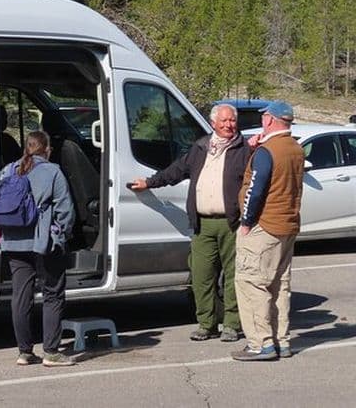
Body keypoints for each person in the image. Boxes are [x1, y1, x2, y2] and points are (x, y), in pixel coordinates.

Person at [129, 103, 250, 342]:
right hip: (202, 224)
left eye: (232, 121)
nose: (228, 125)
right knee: (201, 275)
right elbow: (176, 171)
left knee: (233, 276)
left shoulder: (245, 149)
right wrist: (150, 182)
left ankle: (232, 324)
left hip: (231, 223)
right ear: (213, 123)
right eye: (224, 121)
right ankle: (207, 323)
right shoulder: (200, 147)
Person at [231, 101, 304, 361]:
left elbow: (256, 189)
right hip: (288, 225)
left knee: (251, 283)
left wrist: (247, 222)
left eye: (264, 118)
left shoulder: (267, 151)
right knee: (280, 286)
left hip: (265, 226)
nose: (262, 121)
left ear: (270, 120)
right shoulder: (295, 148)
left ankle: (260, 343)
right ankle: (281, 340)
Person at [0, 131, 76, 367]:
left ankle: (24, 352)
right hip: (44, 243)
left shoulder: (9, 169)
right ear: (47, 149)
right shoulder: (52, 171)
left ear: (26, 148)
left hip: (12, 240)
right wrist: (63, 235)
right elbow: (65, 210)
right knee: (53, 293)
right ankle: (51, 352)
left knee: (20, 297)